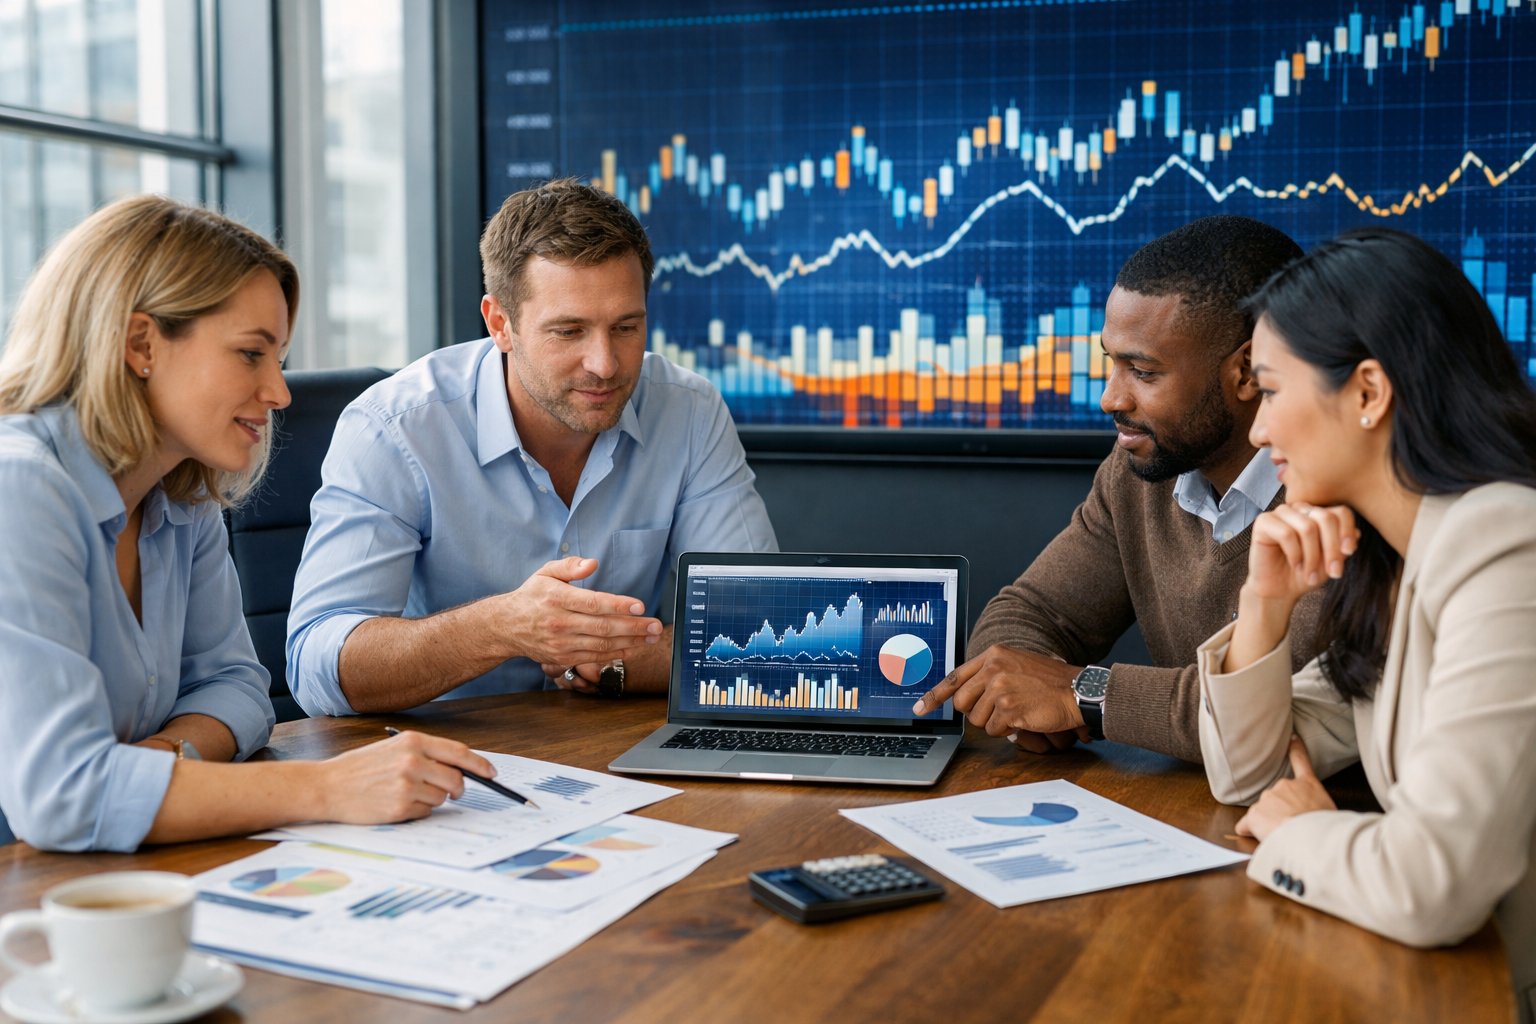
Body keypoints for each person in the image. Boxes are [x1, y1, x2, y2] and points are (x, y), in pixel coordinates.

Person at [0, 196, 497, 852]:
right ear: (141, 343)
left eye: (279, 358)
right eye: (250, 355)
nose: (280, 392)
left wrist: (152, 766)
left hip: (109, 870)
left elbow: (239, 692)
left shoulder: (182, 493)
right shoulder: (21, 487)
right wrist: (330, 789)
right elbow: (63, 795)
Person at [1194, 228, 1536, 1017]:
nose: (1256, 431)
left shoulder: (1502, 542)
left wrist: (1301, 835)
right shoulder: (1396, 563)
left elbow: (1431, 886)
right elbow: (1245, 776)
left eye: (1272, 392)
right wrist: (1264, 602)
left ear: (1369, 392)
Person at [287, 178, 777, 716]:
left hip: (609, 750)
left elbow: (758, 636)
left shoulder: (688, 411)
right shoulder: (394, 428)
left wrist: (609, 662)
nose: (605, 364)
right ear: (501, 323)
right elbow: (316, 670)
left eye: (626, 327)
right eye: (569, 332)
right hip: (441, 759)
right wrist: (501, 627)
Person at [913, 216, 1322, 760]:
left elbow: (1283, 711)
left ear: (1249, 371)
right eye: (1112, 362)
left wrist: (1081, 696)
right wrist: (1022, 700)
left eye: (1143, 372)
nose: (1111, 399)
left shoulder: (1342, 497)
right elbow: (1026, 617)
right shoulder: (1138, 469)